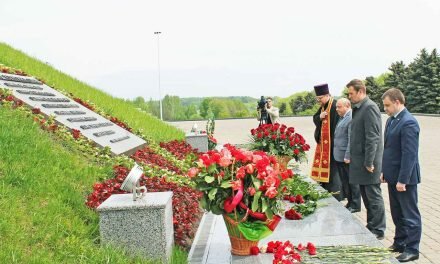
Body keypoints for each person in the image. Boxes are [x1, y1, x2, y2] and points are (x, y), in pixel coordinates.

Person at [381, 88, 421, 262]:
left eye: (388, 105)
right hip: (392, 176)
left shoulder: (409, 122)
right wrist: (384, 171)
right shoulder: (391, 121)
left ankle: (412, 249)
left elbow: (409, 154)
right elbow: (388, 149)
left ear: (397, 102)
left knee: (410, 214)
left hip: (405, 179)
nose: (385, 109)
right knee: (397, 212)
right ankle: (400, 242)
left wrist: (403, 180)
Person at [346, 79, 386, 240]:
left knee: (373, 195)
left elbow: (373, 137)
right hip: (360, 161)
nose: (349, 97)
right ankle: (371, 225)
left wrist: (369, 161)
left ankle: (378, 229)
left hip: (368, 162)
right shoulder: (359, 108)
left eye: (351, 93)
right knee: (366, 194)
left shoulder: (369, 107)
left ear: (361, 91)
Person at [310, 83, 343, 200]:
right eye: (317, 99)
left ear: (327, 95)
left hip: (333, 144)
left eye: (320, 98)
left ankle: (336, 194)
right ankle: (325, 189)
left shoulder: (335, 105)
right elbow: (315, 117)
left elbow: (338, 126)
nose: (319, 101)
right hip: (324, 145)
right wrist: (320, 116)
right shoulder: (324, 106)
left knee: (333, 170)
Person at [333, 98, 361, 213]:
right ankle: (350, 202)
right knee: (345, 181)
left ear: (347, 106)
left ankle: (355, 205)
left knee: (352, 182)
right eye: (337, 107)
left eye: (339, 107)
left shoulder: (351, 118)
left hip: (346, 158)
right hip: (339, 156)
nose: (337, 109)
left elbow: (351, 139)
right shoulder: (342, 117)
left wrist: (348, 155)